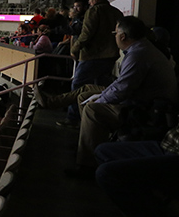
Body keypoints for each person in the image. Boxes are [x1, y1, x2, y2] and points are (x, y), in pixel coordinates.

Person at [65, 16, 178, 175]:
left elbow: (122, 90)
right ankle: (87, 144)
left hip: (147, 112)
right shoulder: (141, 49)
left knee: (93, 110)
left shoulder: (138, 54)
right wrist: (101, 96)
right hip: (144, 104)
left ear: (123, 36)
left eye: (115, 33)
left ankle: (88, 164)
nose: (115, 36)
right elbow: (121, 85)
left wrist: (100, 100)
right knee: (86, 97)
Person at [62, 0, 124, 127]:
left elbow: (86, 33)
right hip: (110, 56)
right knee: (100, 87)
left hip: (92, 55)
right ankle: (95, 118)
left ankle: (73, 118)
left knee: (78, 85)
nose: (89, 2)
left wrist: (75, 48)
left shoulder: (94, 11)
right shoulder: (117, 12)